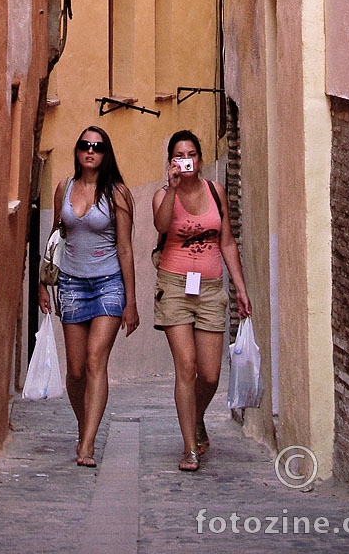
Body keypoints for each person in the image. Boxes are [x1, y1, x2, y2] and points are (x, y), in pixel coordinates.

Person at [39, 126, 139, 468]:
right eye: (85, 145)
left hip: (108, 284)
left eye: (97, 146)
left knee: (97, 358)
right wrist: (43, 282)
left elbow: (125, 248)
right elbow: (56, 235)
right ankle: (85, 426)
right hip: (70, 284)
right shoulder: (64, 188)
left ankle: (89, 442)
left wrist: (131, 301)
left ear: (106, 153)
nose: (90, 151)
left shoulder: (118, 194)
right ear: (77, 151)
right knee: (77, 370)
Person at [152, 129, 252, 472]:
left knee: (209, 375)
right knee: (187, 367)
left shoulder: (216, 191)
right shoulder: (163, 195)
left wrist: (240, 288)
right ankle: (189, 447)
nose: (187, 160)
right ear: (171, 162)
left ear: (200, 158)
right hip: (175, 286)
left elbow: (226, 242)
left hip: (210, 288)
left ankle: (196, 418)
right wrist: (173, 189)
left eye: (191, 154)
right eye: (179, 155)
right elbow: (161, 224)